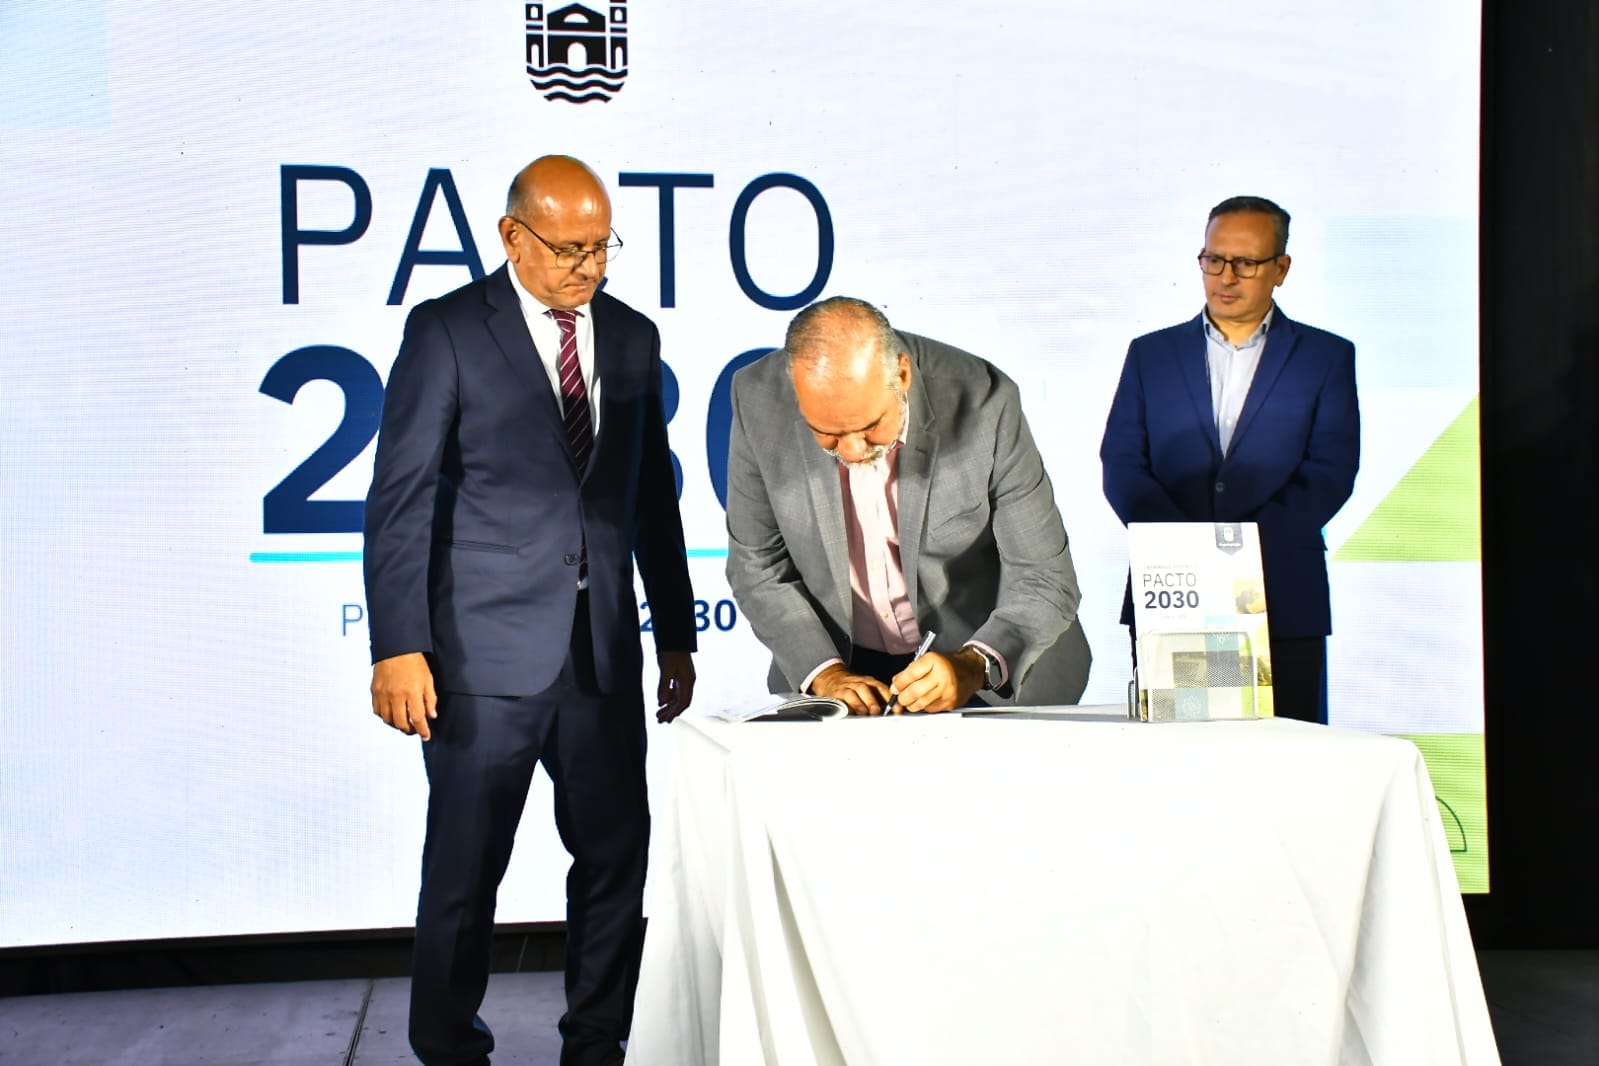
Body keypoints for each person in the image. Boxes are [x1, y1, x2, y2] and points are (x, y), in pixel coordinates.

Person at [362, 155, 697, 1066]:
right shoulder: (446, 330)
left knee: (615, 864)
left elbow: (649, 496)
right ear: (513, 236)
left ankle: (596, 1044)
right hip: (479, 658)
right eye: (568, 248)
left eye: (602, 246)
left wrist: (674, 631)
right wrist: (398, 645)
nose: (589, 266)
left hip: (600, 656)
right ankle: (448, 1049)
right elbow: (398, 498)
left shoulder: (632, 337)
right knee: (465, 873)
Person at [724, 296, 1089, 715]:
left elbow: (1044, 576)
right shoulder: (756, 400)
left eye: (870, 426)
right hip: (842, 669)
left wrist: (974, 665)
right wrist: (826, 674)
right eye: (827, 433)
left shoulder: (984, 401)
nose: (853, 451)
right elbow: (757, 565)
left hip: (985, 667)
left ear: (901, 374)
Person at [1100, 195, 1359, 724]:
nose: (1226, 277)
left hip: (1281, 591)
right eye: (1213, 259)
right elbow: (1123, 464)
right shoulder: (1151, 354)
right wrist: (1190, 551)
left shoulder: (1325, 357)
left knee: (1288, 755)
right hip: (1175, 590)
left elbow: (1331, 471)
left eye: (1245, 262)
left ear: (1281, 268)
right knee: (1185, 749)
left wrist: (1239, 551)